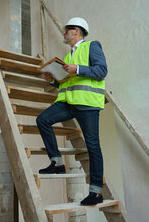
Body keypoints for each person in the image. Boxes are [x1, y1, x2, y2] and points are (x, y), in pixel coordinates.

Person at [36, 17, 107, 206]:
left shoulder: (92, 46)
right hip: (67, 102)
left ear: (77, 30)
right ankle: (57, 163)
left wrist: (78, 69)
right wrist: (51, 80)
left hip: (87, 103)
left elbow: (101, 70)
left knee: (92, 146)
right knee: (42, 120)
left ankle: (95, 192)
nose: (64, 33)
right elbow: (64, 82)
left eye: (67, 30)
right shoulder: (66, 57)